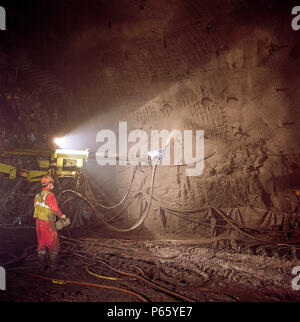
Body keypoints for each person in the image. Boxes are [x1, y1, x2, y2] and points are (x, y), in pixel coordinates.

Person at [33, 175, 67, 272]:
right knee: (53, 243)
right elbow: (54, 208)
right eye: (52, 182)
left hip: (38, 222)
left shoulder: (37, 195)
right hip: (47, 223)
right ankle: (53, 267)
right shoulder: (49, 195)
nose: (53, 184)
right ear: (49, 184)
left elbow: (37, 206)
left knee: (41, 243)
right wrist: (62, 216)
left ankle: (42, 267)